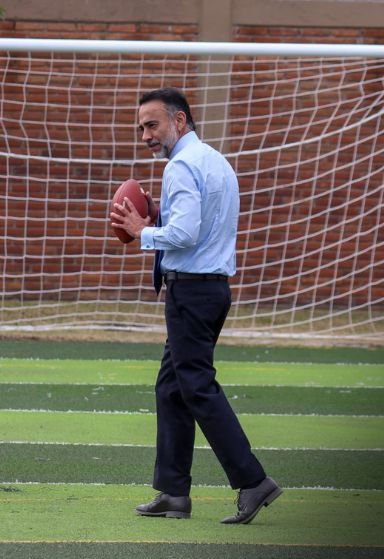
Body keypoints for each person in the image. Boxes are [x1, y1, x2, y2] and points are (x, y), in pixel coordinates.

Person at [110, 87, 282, 524]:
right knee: (172, 387)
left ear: (180, 121)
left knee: (197, 387)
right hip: (211, 288)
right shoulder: (214, 160)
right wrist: (158, 216)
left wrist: (142, 229)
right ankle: (173, 492)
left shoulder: (182, 166)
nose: (146, 135)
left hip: (192, 291)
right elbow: (199, 227)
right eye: (142, 127)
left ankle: (252, 480)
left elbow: (185, 236)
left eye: (153, 125)